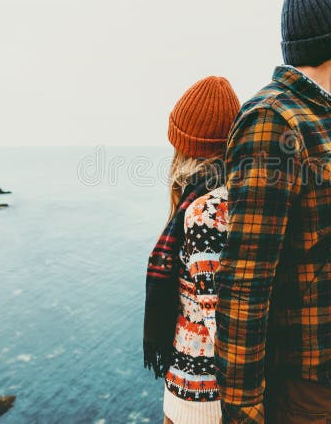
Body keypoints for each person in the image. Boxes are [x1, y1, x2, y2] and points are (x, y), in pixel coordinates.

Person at [214, 0, 331, 424]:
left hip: (328, 369)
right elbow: (245, 275)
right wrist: (244, 404)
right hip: (299, 383)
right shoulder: (274, 121)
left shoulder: (320, 114)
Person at [143, 75, 241, 424]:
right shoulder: (231, 199)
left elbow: (221, 324)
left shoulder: (205, 214)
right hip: (197, 391)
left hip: (200, 400)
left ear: (186, 148)